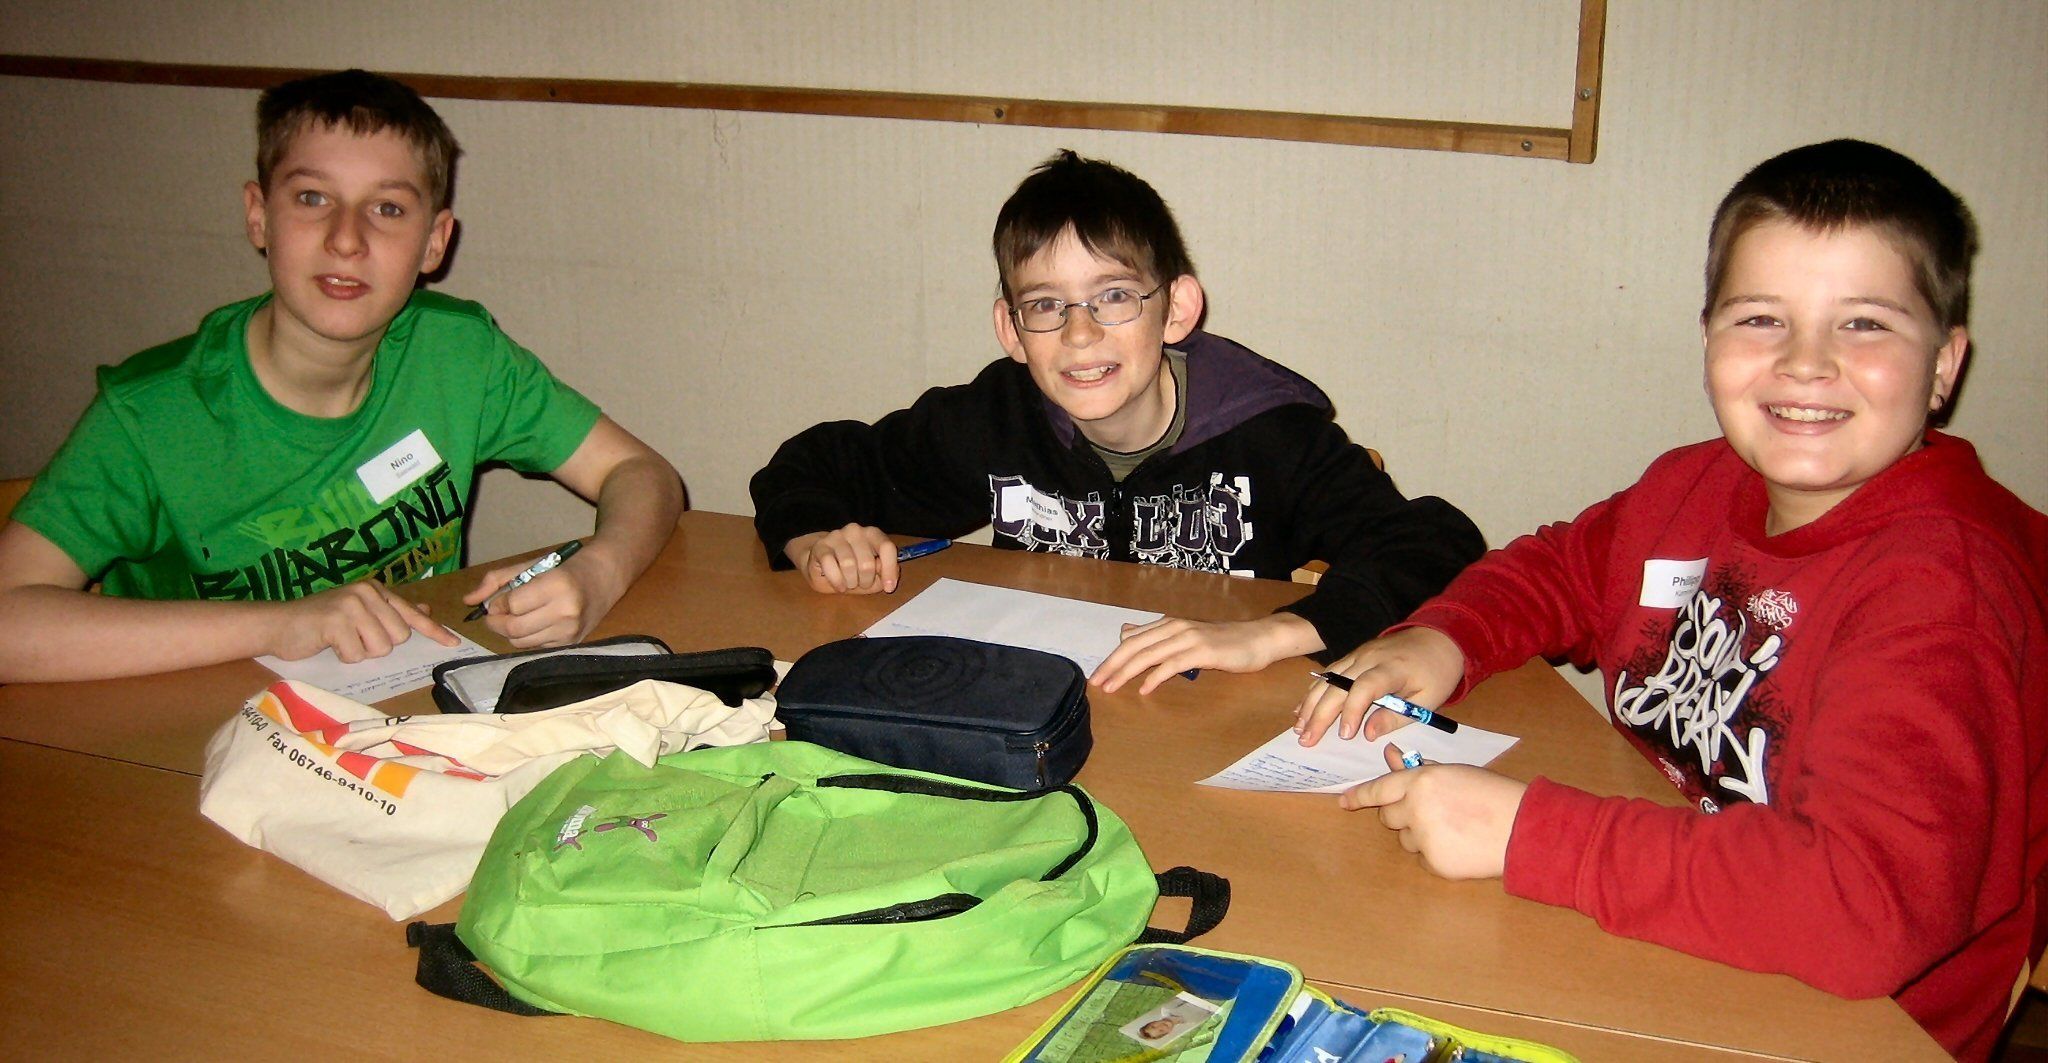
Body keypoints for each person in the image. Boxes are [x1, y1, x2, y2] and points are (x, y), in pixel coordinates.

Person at [1296, 140, 2047, 1060]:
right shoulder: (1696, 485)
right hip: (1663, 921)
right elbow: (1564, 568)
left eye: (1864, 324)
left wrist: (1532, 833)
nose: (1806, 363)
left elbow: (1864, 905)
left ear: (1944, 365)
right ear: (1708, 338)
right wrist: (1447, 637)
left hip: (1843, 1021)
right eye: (1762, 318)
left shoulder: (1943, 594)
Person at [0, 69, 683, 683]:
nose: (347, 239)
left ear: (434, 241)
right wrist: (282, 623)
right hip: (197, 726)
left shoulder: (458, 354)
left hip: (395, 708)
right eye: (312, 198)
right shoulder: (151, 415)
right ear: (259, 216)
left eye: (387, 209)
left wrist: (599, 571)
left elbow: (641, 473)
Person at [749, 150, 1482, 692]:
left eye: (1115, 296)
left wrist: (1271, 634)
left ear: (1178, 309)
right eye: (1045, 304)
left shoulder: (1268, 435)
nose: (1080, 334)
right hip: (1051, 707)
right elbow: (811, 466)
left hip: (1214, 718)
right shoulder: (998, 418)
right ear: (1010, 329)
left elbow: (1435, 543)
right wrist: (815, 537)